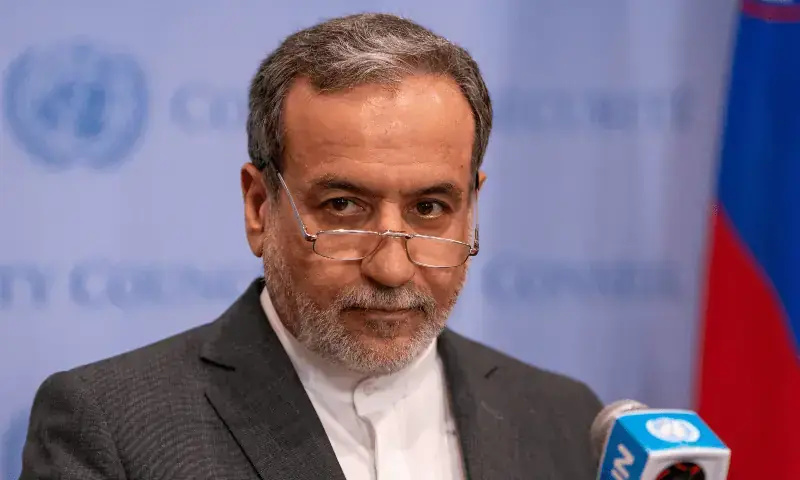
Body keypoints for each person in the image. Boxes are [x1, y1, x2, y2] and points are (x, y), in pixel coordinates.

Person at [19, 13, 603, 480]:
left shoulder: (564, 417)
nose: (392, 269)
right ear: (259, 206)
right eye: (343, 206)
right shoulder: (112, 427)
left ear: (471, 207)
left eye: (429, 209)